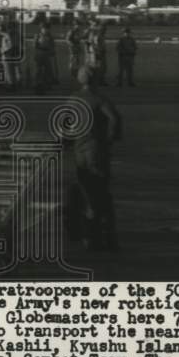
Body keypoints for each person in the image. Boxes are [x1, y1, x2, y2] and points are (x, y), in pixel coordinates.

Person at [65, 66, 122, 251]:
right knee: (101, 193)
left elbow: (64, 124)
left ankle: (88, 233)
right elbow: (114, 118)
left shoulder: (73, 99)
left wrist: (65, 142)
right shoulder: (99, 99)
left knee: (85, 189)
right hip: (96, 151)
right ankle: (102, 236)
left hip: (79, 151)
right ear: (95, 80)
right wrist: (110, 139)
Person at [33, 23, 56, 94]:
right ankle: (37, 84)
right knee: (38, 70)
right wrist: (41, 47)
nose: (46, 30)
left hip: (47, 54)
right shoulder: (38, 35)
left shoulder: (50, 36)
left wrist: (52, 51)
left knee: (48, 70)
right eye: (44, 28)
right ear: (41, 29)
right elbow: (35, 45)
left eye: (47, 28)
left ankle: (47, 84)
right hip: (39, 53)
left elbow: (52, 45)